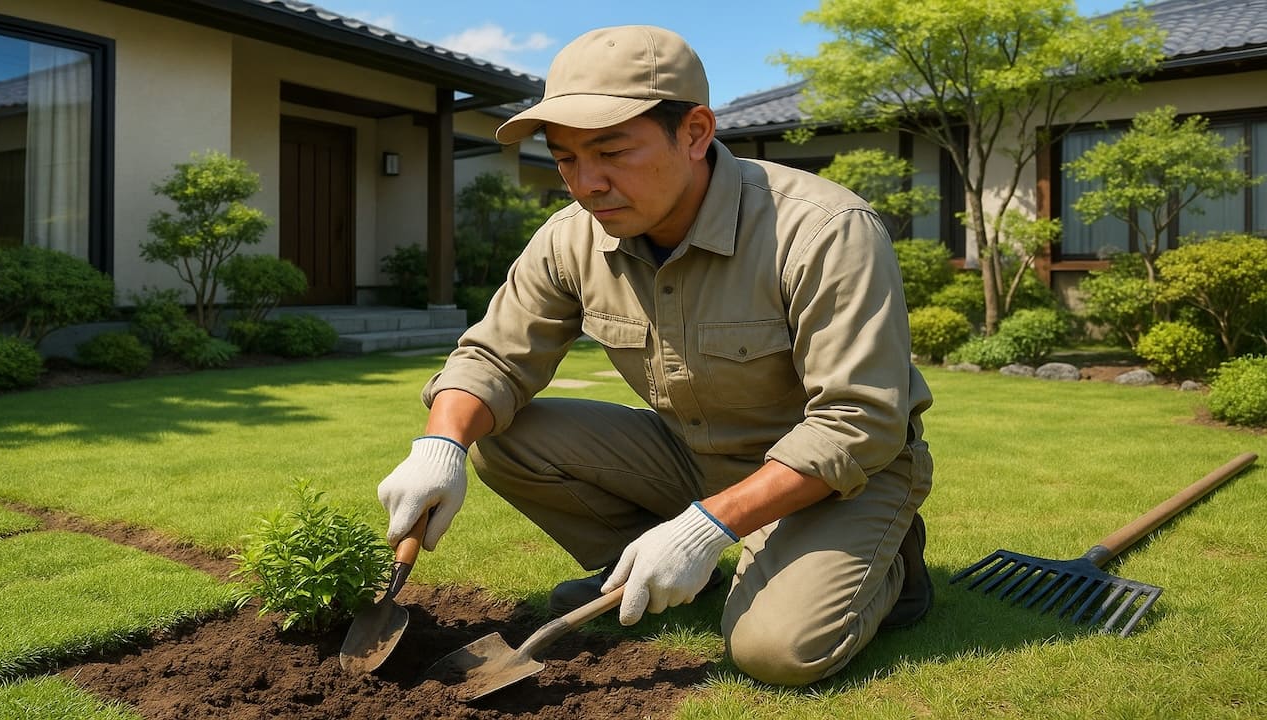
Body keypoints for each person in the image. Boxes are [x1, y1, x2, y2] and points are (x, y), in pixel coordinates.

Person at [378, 24, 934, 686]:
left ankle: (891, 565)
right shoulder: (571, 239)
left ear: (695, 132)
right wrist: (440, 446)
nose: (586, 184)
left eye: (611, 151)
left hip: (838, 481)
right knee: (499, 435)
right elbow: (494, 358)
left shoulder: (822, 230)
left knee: (775, 652)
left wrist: (705, 527)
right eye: (565, 159)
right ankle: (650, 574)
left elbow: (858, 421)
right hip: (692, 458)